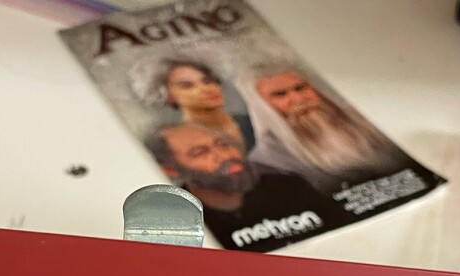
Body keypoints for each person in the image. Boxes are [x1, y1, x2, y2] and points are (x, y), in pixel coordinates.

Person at [146, 123, 351, 252]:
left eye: (222, 144)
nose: (226, 156)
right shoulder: (177, 222)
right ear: (171, 170)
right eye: (200, 152)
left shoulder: (286, 185)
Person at [237, 65, 409, 193]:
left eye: (301, 87)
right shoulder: (266, 162)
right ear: (262, 107)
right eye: (280, 95)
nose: (298, 99)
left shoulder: (368, 121)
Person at [131, 58, 255, 151]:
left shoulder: (252, 121)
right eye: (187, 86)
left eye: (207, 81)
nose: (206, 89)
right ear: (167, 96)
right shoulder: (176, 142)